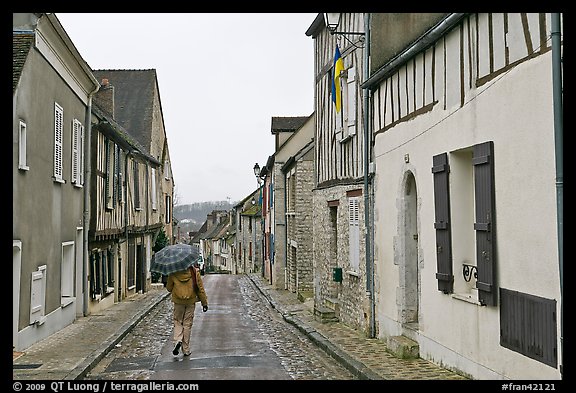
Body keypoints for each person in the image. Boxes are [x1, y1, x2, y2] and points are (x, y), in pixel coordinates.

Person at [166, 264, 208, 356]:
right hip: (190, 301)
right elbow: (200, 289)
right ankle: (186, 349)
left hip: (178, 301)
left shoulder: (173, 272)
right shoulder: (194, 272)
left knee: (178, 321)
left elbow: (169, 288)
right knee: (187, 324)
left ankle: (178, 340)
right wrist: (204, 303)